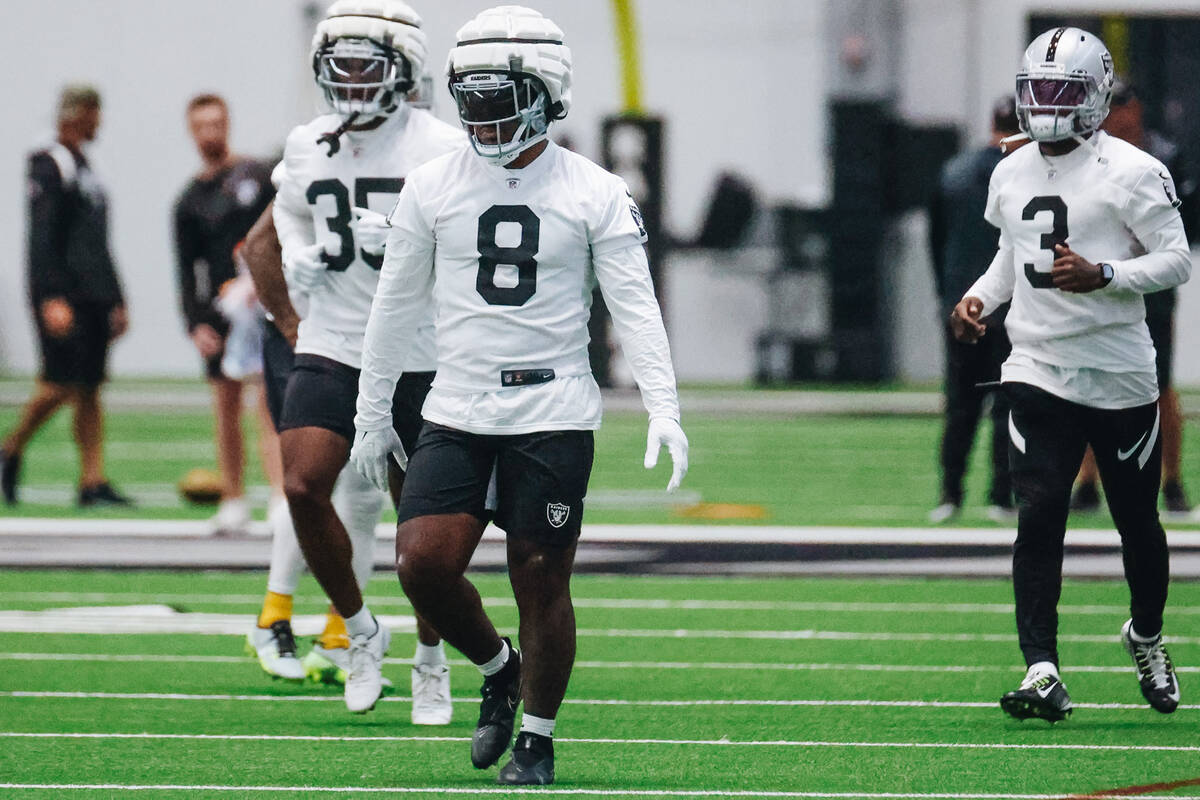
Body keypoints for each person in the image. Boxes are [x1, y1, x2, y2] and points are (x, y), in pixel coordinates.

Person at [350, 6, 689, 785]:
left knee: (540, 575)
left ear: (545, 90)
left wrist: (663, 405)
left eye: (498, 95)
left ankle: (535, 738)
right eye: (469, 96)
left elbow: (635, 304)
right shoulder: (433, 185)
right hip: (458, 401)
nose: (481, 113)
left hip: (553, 409)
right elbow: (394, 306)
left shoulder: (595, 189)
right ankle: (498, 667)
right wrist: (372, 410)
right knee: (420, 566)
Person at [952, 27, 1185, 723]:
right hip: (1037, 367)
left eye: (1062, 92)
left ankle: (1145, 634)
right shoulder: (1011, 168)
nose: (1046, 105)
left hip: (1118, 374)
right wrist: (979, 299)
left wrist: (1105, 274)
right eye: (1038, 92)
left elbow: (1175, 260)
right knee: (1041, 508)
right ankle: (1042, 668)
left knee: (1137, 523)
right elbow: (1009, 254)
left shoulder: (1134, 171)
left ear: (1093, 98)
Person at [266, 0, 464, 719]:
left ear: (401, 69)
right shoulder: (308, 142)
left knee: (424, 519)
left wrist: (416, 250)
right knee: (301, 485)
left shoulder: (440, 145)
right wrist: (297, 258)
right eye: (339, 64)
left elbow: (472, 241)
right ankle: (359, 630)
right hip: (335, 337)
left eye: (365, 64)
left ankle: (432, 657)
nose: (348, 78)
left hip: (420, 347)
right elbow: (288, 210)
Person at [0, 85, 131, 508]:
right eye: (95, 114)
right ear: (78, 115)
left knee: (91, 386)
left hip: (93, 293)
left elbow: (96, 239)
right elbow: (43, 234)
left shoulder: (85, 166)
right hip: (64, 294)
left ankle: (92, 480)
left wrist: (115, 296)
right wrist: (51, 295)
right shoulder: (49, 162)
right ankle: (10, 447)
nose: (100, 123)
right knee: (59, 383)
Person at [1069, 79, 1194, 518]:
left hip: (1148, 288)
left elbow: (1182, 226)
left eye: (1122, 108)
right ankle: (1088, 480)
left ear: (1136, 110)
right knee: (1089, 380)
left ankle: (1172, 480)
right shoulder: (1089, 154)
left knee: (1158, 387)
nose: (1116, 117)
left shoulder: (1163, 158)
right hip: (1097, 282)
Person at [174, 94, 276, 535]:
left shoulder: (258, 175)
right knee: (226, 404)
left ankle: (280, 497)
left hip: (266, 301)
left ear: (228, 123)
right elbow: (186, 267)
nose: (210, 132)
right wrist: (195, 322)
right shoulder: (189, 200)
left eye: (216, 123)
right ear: (191, 131)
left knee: (271, 403)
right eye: (201, 126)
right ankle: (234, 498)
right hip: (220, 309)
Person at [927, 97, 1024, 525]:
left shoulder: (953, 172)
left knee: (960, 407)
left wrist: (947, 295)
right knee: (1007, 406)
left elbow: (936, 240)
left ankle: (950, 492)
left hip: (963, 306)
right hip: (1009, 307)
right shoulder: (1023, 174)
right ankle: (1001, 495)